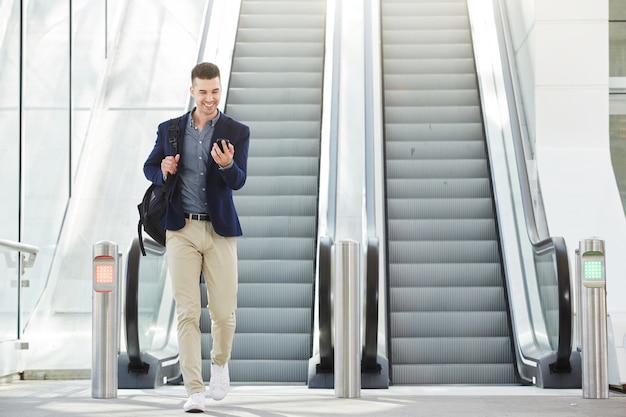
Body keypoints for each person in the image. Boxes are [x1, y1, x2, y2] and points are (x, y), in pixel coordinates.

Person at [143, 62, 250, 413]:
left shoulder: (236, 131)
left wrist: (226, 165)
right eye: (203, 91)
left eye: (215, 91)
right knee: (187, 312)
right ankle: (194, 389)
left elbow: (238, 180)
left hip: (219, 231)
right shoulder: (171, 130)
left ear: (221, 90)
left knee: (223, 312)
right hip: (181, 230)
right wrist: (162, 170)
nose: (209, 98)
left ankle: (220, 364)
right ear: (192, 91)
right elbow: (149, 167)